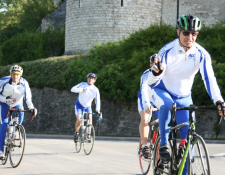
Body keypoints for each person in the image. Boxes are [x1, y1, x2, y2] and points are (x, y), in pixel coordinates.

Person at [147, 14, 225, 174]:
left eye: (194, 34)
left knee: (187, 143)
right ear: (178, 32)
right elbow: (151, 81)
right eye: (186, 33)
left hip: (184, 97)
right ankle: (164, 144)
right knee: (167, 104)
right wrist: (157, 73)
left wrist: (218, 100)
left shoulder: (202, 54)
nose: (190, 37)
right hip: (161, 90)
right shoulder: (167, 51)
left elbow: (209, 79)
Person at [0, 65, 37, 159]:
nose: (15, 76)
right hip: (4, 104)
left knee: (21, 114)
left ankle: (16, 130)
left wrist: (32, 107)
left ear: (21, 74)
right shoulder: (3, 81)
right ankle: (0, 151)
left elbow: (28, 97)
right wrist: (5, 99)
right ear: (10, 74)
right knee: (4, 125)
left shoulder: (24, 83)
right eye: (13, 74)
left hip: (17, 103)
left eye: (17, 74)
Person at [137, 54, 159, 158]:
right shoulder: (146, 74)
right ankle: (145, 145)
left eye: (156, 63)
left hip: (157, 100)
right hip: (144, 98)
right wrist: (147, 104)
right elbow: (144, 90)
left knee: (166, 120)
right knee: (145, 119)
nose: (154, 65)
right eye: (152, 63)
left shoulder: (166, 73)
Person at [71, 73, 100, 142]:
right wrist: (81, 90)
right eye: (89, 78)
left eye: (92, 78)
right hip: (79, 105)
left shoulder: (95, 90)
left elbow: (97, 100)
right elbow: (72, 89)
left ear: (94, 80)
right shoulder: (82, 84)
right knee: (79, 120)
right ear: (87, 79)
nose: (90, 79)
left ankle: (88, 134)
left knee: (90, 118)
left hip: (87, 107)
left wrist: (98, 110)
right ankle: (76, 133)